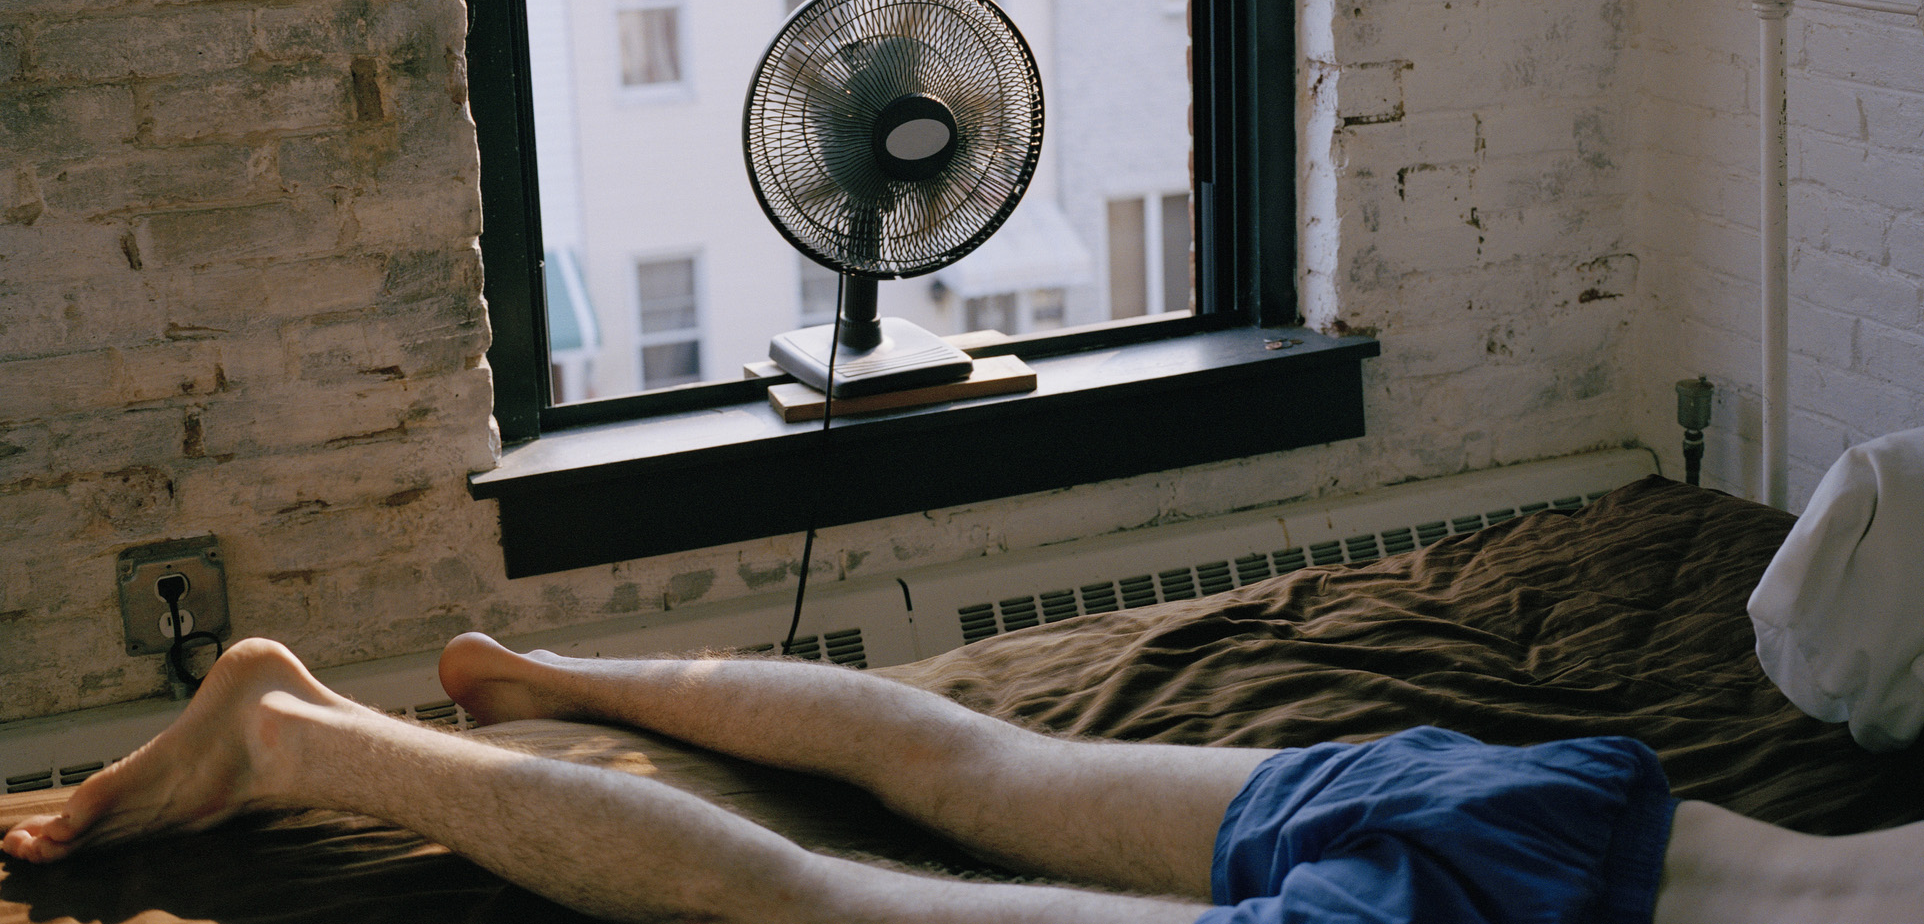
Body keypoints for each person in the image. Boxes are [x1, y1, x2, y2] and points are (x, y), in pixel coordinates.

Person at [3, 634, 1918, 924]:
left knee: (971, 754)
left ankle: (539, 675)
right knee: (819, 904)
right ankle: (294, 738)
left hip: (1572, 807)